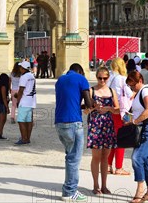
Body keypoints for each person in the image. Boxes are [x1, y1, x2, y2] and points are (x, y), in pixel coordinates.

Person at [55, 63, 93, 202]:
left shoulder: (60, 80)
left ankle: (68, 189)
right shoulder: (81, 79)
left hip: (59, 122)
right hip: (73, 123)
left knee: (69, 156)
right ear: (81, 71)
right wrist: (93, 102)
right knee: (74, 159)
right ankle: (70, 191)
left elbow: (70, 101)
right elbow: (89, 104)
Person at [85, 67, 119, 195]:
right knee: (96, 156)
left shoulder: (112, 91)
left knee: (106, 156)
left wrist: (109, 108)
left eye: (105, 78)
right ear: (96, 77)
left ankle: (104, 185)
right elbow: (85, 110)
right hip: (95, 125)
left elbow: (118, 109)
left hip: (108, 125)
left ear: (108, 78)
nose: (102, 80)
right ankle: (95, 185)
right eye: (100, 78)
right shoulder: (91, 90)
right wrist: (94, 108)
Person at [125, 70, 148, 203]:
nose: (131, 88)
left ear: (140, 81)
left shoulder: (146, 91)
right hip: (143, 129)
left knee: (137, 157)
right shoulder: (139, 92)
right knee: (145, 159)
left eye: (132, 85)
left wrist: (135, 121)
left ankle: (140, 189)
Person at [106, 57, 133, 176]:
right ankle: (119, 167)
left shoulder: (108, 78)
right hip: (120, 111)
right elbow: (129, 94)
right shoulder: (122, 79)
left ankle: (108, 165)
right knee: (120, 139)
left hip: (109, 110)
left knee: (111, 139)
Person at [15, 61, 37, 145]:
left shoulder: (24, 77)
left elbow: (21, 90)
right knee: (29, 121)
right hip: (31, 101)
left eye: (20, 67)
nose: (20, 69)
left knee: (21, 120)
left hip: (24, 101)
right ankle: (27, 138)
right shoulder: (32, 76)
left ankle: (24, 138)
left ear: (23, 68)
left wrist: (18, 101)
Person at [0, 73, 10, 139]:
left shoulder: (0, 86)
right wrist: (7, 107)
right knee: (2, 120)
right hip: (2, 104)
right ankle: (0, 133)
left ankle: (0, 132)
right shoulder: (4, 87)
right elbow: (4, 97)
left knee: (3, 119)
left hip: (0, 103)